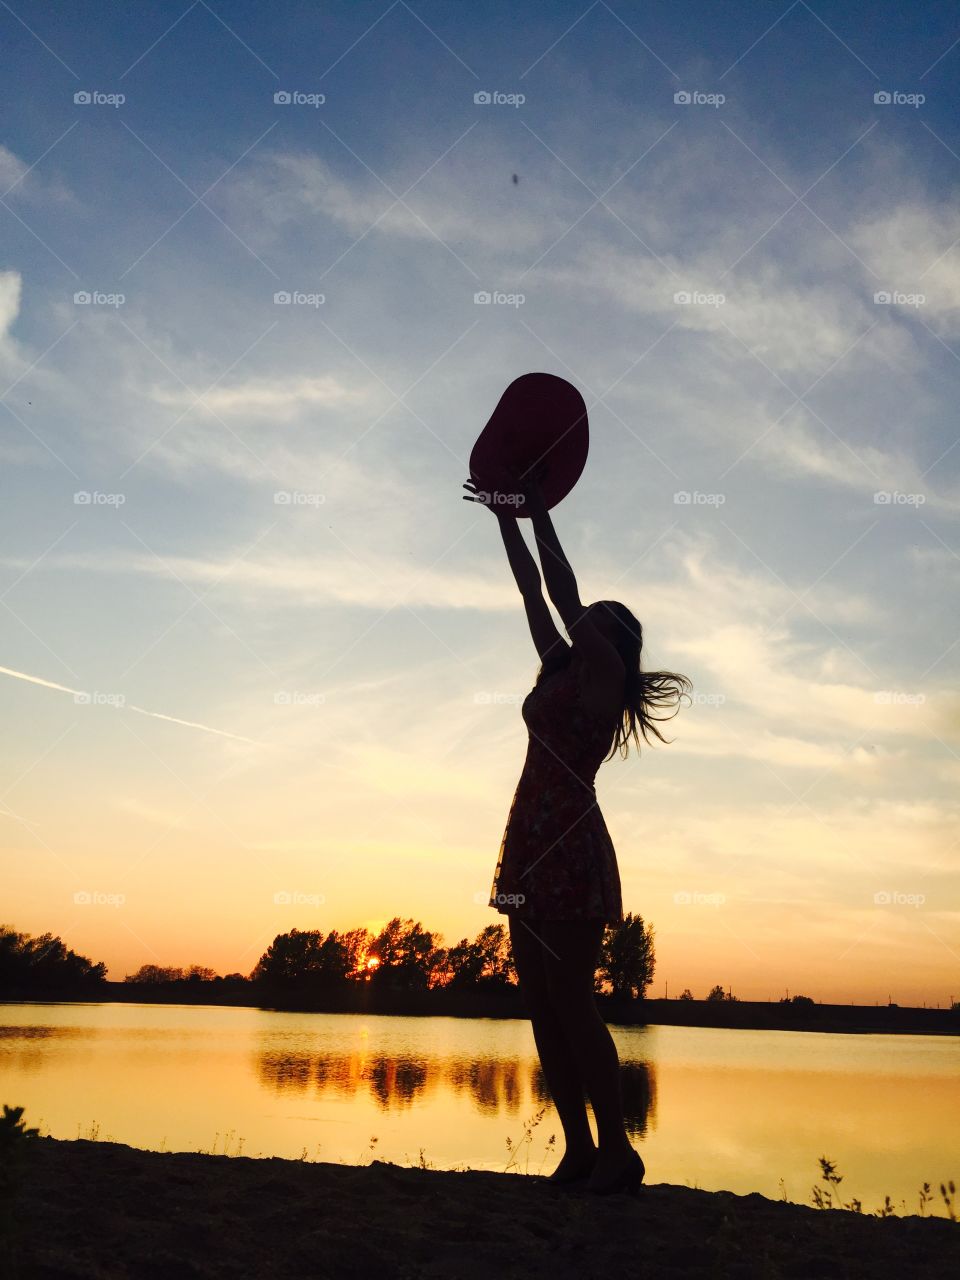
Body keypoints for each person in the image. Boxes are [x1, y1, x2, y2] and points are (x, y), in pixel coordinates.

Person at [464, 464, 691, 1194]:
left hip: (569, 845)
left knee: (570, 998)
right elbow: (535, 593)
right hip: (528, 843)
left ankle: (620, 1149)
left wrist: (537, 509)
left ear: (612, 640)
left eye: (594, 616)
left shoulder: (605, 680)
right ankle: (578, 1150)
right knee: (538, 1002)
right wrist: (504, 518)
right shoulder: (562, 667)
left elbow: (561, 591)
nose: (579, 615)